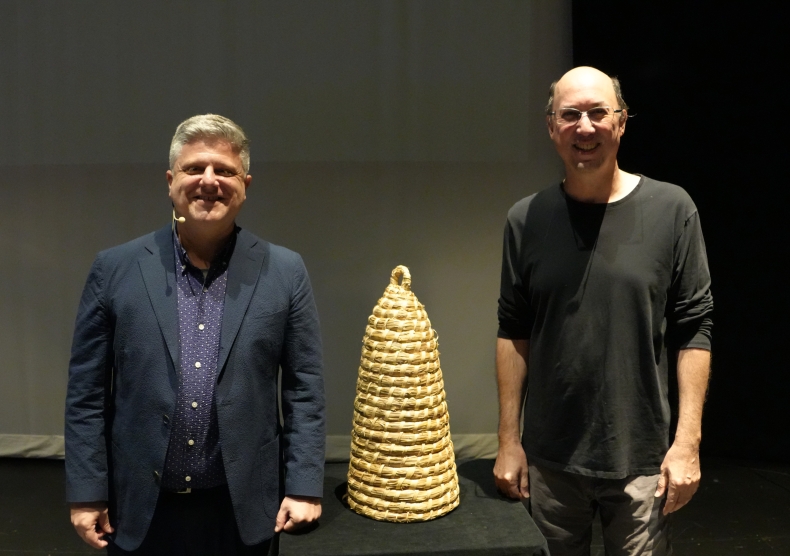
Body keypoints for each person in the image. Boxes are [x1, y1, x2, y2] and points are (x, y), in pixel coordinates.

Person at [65, 114, 326, 555]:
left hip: (242, 511)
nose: (209, 180)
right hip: (140, 511)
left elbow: (305, 390)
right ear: (171, 181)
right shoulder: (114, 269)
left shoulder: (285, 271)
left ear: (245, 184)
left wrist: (304, 485)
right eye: (194, 168)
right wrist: (87, 492)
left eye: (224, 170)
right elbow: (86, 394)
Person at [493, 67, 712, 555]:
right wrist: (508, 441)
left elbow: (695, 328)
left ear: (622, 121)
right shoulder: (525, 219)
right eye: (570, 114)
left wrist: (688, 443)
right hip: (550, 461)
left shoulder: (673, 209)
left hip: (642, 460)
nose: (585, 127)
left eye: (598, 112)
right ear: (551, 126)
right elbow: (513, 329)